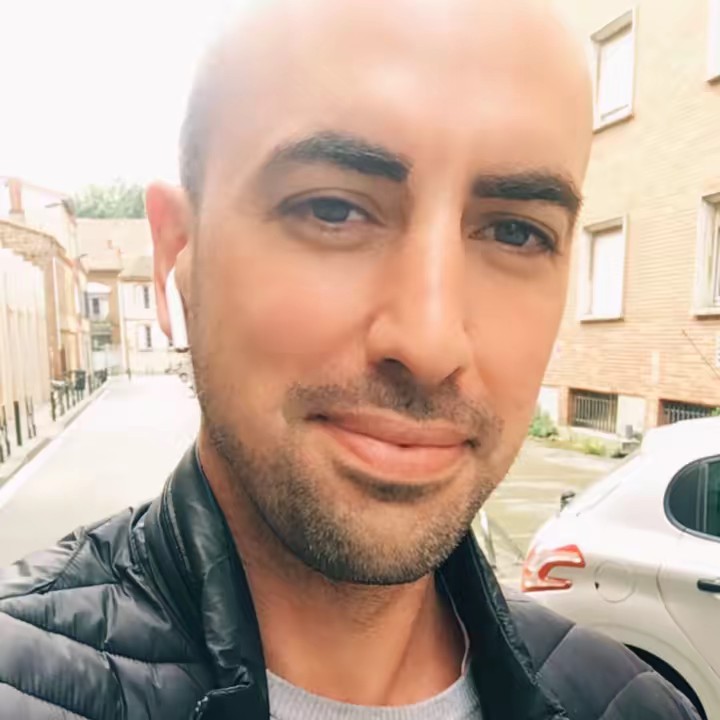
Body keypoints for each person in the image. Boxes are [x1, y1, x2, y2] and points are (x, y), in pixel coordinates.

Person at [0, 1, 701, 718]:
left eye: (516, 232)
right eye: (333, 209)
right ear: (178, 253)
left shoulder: (637, 706)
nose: (430, 344)